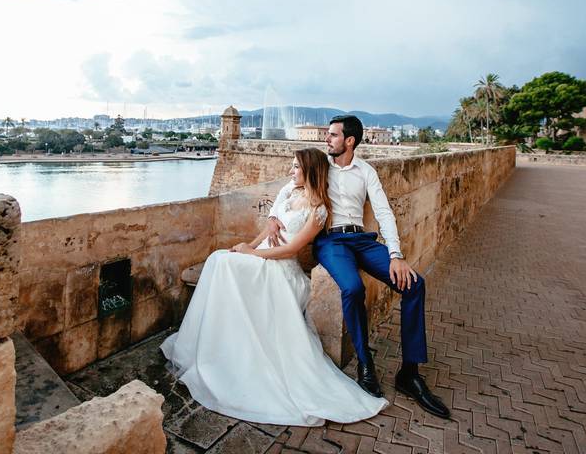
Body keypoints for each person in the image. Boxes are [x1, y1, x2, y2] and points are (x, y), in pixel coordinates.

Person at [161, 148, 388, 426]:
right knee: (221, 260)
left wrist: (251, 255)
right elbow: (270, 227)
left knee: (220, 262)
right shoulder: (290, 191)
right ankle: (215, 347)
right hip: (261, 257)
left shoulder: (319, 211)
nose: (290, 172)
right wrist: (249, 245)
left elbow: (291, 248)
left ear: (310, 171)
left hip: (281, 268)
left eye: (295, 167)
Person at [266, 115, 450, 419]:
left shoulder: (366, 171)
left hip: (363, 240)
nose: (327, 139)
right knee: (353, 288)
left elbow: (384, 212)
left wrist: (395, 254)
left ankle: (409, 373)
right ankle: (366, 365)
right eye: (327, 134)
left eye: (333, 135)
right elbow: (288, 188)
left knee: (415, 284)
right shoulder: (319, 164)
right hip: (331, 242)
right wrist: (273, 216)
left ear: (349, 141)